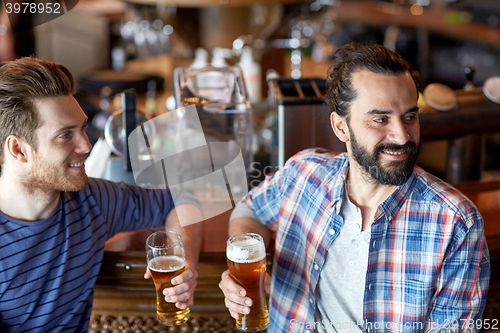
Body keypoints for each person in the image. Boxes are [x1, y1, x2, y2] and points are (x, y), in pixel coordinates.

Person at [219, 42, 490, 332]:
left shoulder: (455, 222)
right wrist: (244, 265)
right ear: (341, 127)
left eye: (410, 117)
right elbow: (250, 209)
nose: (401, 136)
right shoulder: (304, 173)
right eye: (380, 119)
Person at [0, 57, 203, 332]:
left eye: (83, 127)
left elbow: (183, 200)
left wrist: (185, 258)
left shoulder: (91, 201)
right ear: (18, 150)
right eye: (65, 135)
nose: (86, 144)